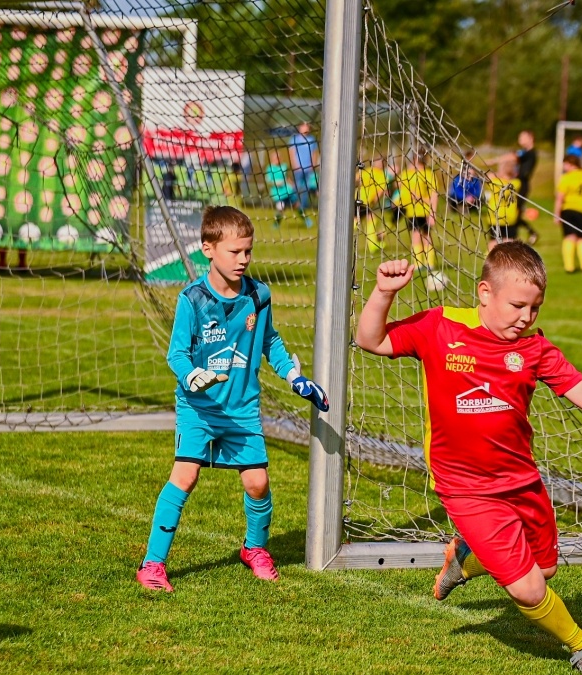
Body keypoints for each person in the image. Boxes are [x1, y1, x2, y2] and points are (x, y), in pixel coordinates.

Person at [354, 242, 582, 675]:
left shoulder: (533, 349)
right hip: (465, 487)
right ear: (485, 292)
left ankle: (465, 561)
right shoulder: (440, 327)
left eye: (535, 308)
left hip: (521, 480)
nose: (526, 317)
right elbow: (370, 339)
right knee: (528, 589)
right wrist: (384, 292)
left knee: (545, 570)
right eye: (517, 306)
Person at [136, 207, 329, 592]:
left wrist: (294, 377)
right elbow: (176, 354)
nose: (243, 259)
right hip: (199, 409)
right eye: (234, 252)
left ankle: (254, 549)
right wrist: (193, 375)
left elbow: (270, 341)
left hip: (242, 410)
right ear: (208, 249)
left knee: (258, 483)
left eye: (248, 251)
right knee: (185, 477)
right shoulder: (192, 299)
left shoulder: (258, 295)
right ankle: (152, 565)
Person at [395, 150, 441, 284]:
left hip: (425, 210)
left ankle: (429, 263)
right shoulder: (406, 174)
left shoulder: (429, 174)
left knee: (426, 235)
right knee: (415, 235)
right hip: (412, 210)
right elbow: (401, 190)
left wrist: (432, 212)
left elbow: (434, 194)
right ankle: (418, 264)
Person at [554, 153, 582, 275]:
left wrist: (556, 214)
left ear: (570, 164)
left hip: (569, 209)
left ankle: (569, 267)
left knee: (569, 237)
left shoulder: (566, 177)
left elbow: (560, 198)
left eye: (565, 164)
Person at [484, 156, 522, 249]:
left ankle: (491, 257)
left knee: (493, 241)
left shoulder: (494, 182)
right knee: (509, 241)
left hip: (495, 216)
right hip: (510, 217)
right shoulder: (516, 183)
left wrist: (497, 173)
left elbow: (488, 176)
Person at [356, 156, 391, 253]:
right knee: (368, 219)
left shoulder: (367, 171)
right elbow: (380, 192)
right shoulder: (381, 176)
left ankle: (373, 245)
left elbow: (355, 179)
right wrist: (374, 201)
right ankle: (373, 246)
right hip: (365, 202)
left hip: (357, 199)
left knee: (368, 219)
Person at [511, 129, 539, 244]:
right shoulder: (523, 153)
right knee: (513, 212)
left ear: (530, 138)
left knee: (515, 213)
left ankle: (518, 236)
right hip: (516, 184)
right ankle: (530, 233)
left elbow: (524, 173)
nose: (520, 140)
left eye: (522, 137)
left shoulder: (531, 154)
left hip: (522, 185)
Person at [288, 121, 319, 216]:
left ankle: (303, 206)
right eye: (304, 127)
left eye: (307, 127)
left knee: (307, 188)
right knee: (296, 187)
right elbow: (291, 153)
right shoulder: (294, 139)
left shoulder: (312, 139)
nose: (306, 129)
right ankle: (295, 203)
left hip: (308, 168)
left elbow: (314, 153)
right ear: (300, 128)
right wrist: (295, 165)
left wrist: (313, 165)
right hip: (298, 168)